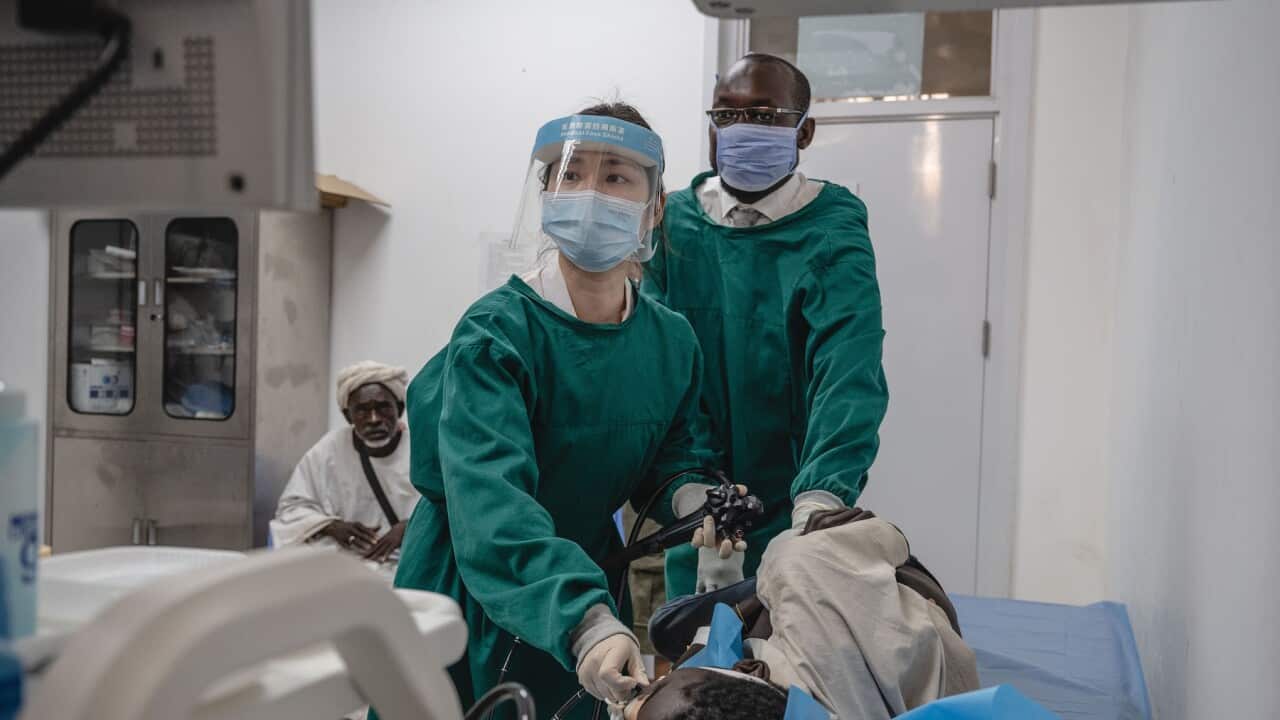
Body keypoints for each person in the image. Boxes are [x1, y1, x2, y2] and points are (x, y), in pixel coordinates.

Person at [388, 103, 723, 719]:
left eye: (616, 176)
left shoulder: (671, 343)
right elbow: (493, 507)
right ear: (545, 194)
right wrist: (584, 620)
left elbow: (672, 456)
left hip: (582, 582)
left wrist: (690, 497)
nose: (590, 193)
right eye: (570, 176)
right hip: (471, 583)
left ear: (656, 207)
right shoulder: (496, 336)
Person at [643, 53, 890, 598]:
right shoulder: (674, 224)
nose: (742, 129)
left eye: (764, 114)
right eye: (726, 115)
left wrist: (821, 496)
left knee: (791, 649)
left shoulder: (831, 227)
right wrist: (692, 489)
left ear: (805, 133)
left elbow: (848, 368)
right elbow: (662, 371)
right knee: (697, 657)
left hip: (794, 497)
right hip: (699, 502)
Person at [622, 509, 980, 719]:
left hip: (880, 614)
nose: (633, 698)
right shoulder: (797, 568)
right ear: (748, 669)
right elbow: (891, 540)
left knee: (667, 628)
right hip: (896, 584)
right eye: (652, 688)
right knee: (668, 626)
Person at [270, 361, 418, 566]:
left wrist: (410, 527)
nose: (374, 419)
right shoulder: (329, 450)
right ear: (348, 415)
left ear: (399, 408)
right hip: (344, 565)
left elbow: (452, 509)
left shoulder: (421, 450)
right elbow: (290, 510)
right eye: (363, 410)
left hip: (408, 567)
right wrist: (331, 526)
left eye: (383, 407)